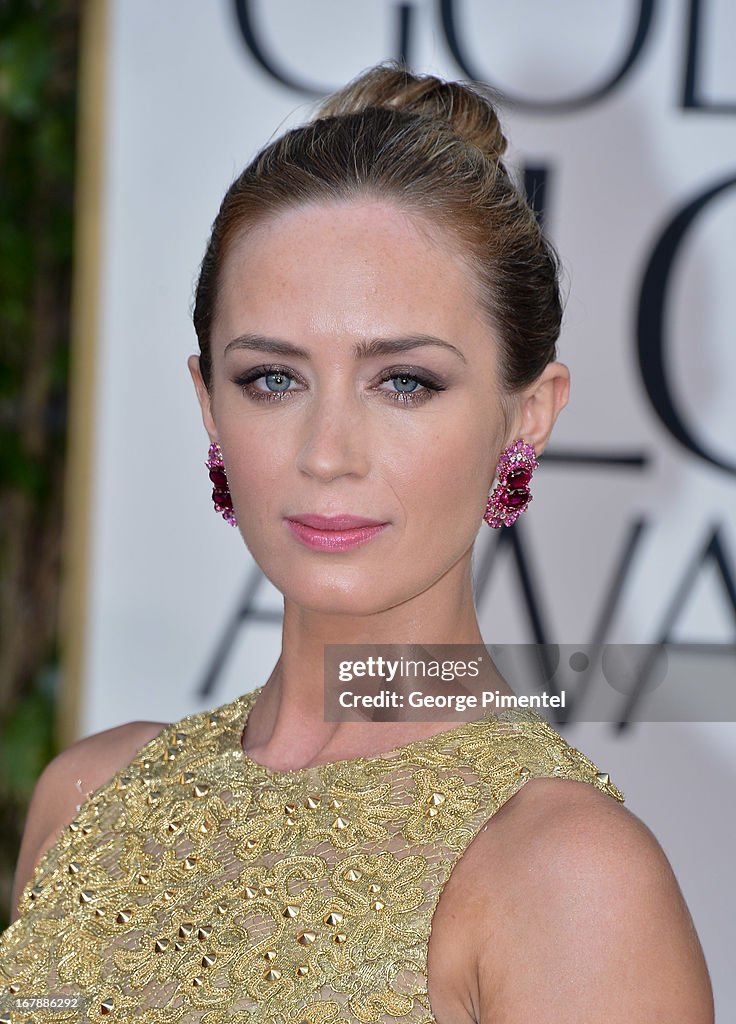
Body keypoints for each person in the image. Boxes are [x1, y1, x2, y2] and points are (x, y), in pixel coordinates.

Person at [0, 62, 713, 1023]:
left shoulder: (567, 880)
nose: (327, 454)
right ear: (207, 405)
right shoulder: (87, 801)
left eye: (405, 382)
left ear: (527, 415)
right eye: (271, 381)